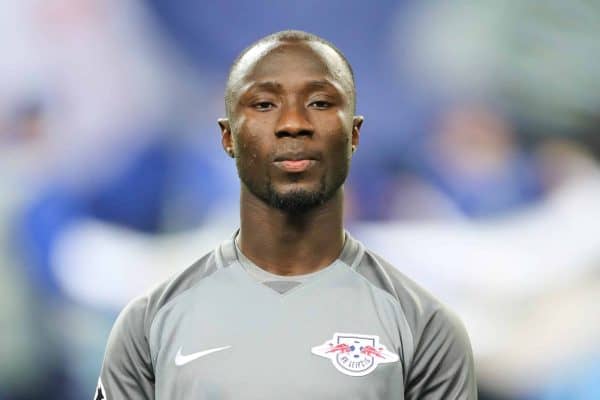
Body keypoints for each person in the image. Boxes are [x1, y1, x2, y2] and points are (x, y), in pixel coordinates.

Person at [95, 30, 477, 399]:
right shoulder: (148, 322)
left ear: (354, 134)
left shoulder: (425, 324)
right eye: (264, 104)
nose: (293, 124)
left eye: (320, 103)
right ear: (227, 135)